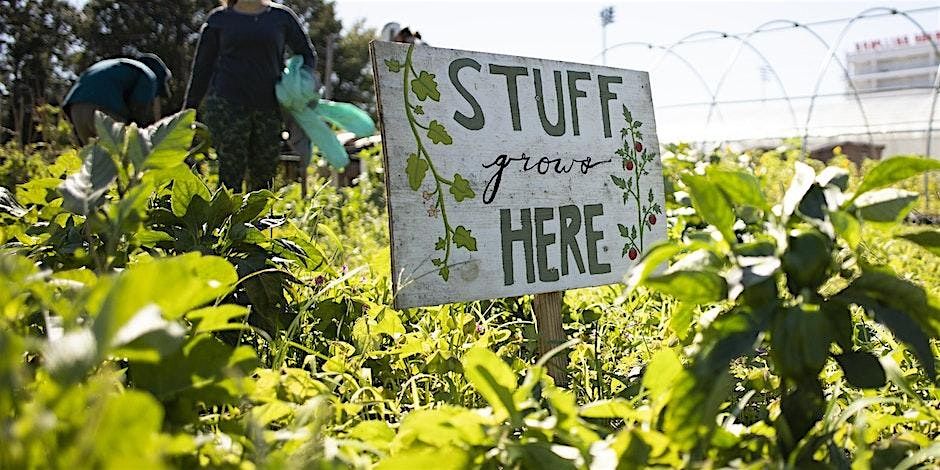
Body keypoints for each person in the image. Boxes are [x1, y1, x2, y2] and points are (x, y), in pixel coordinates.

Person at [184, 0, 317, 192]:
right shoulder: (219, 19)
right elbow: (202, 67)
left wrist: (300, 85)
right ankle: (227, 211)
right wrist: (189, 109)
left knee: (264, 177)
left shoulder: (281, 17)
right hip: (226, 106)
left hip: (269, 108)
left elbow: (307, 55)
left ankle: (259, 212)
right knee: (230, 174)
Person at [63, 53, 171, 145]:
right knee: (121, 155)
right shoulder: (148, 74)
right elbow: (139, 108)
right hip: (104, 110)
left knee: (93, 157)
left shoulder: (118, 65)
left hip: (75, 108)